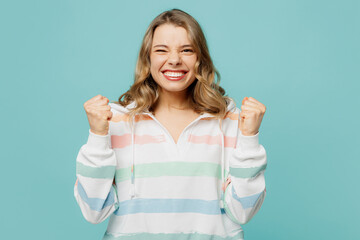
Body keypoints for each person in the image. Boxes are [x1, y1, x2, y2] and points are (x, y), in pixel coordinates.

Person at [74, 8, 267, 240]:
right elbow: (93, 211)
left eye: (187, 50)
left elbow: (243, 211)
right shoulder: (116, 121)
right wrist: (97, 135)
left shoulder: (229, 120)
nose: (174, 60)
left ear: (200, 58)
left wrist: (249, 138)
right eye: (161, 50)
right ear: (148, 58)